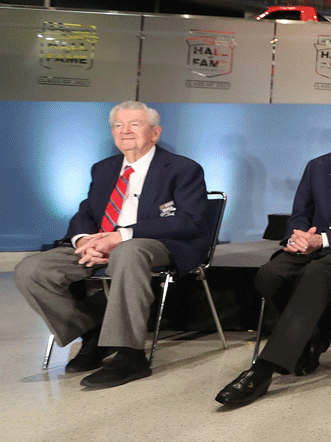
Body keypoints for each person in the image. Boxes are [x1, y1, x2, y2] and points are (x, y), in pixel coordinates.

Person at [216, 101, 331, 406]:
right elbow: (299, 213)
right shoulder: (318, 165)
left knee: (316, 273)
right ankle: (311, 338)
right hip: (314, 243)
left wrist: (325, 240)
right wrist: (297, 236)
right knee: (268, 275)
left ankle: (263, 371)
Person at [16, 101, 207, 389]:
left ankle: (130, 355)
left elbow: (189, 221)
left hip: (157, 245)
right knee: (31, 270)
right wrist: (84, 240)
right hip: (102, 241)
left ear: (155, 133)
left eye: (134, 124)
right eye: (118, 125)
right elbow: (86, 213)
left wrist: (121, 236)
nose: (125, 131)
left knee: (129, 253)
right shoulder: (103, 169)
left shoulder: (183, 169)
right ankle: (94, 332)